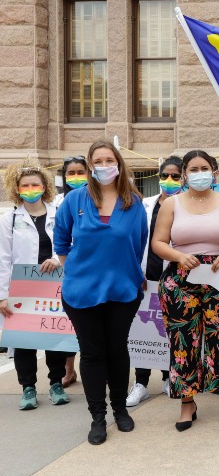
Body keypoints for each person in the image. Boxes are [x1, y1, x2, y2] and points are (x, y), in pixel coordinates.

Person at [54, 140, 149, 446]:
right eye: (98, 160)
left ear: (119, 163)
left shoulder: (133, 202)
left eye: (110, 159)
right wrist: (80, 271)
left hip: (123, 290)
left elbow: (139, 244)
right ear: (90, 165)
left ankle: (120, 409)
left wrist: (128, 274)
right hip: (81, 293)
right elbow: (61, 242)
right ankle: (98, 416)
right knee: (92, 353)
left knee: (118, 350)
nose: (105, 165)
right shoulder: (75, 200)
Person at [150, 150, 219, 431]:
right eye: (193, 169)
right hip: (181, 280)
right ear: (184, 174)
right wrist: (179, 256)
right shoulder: (172, 204)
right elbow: (158, 242)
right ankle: (186, 402)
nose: (199, 173)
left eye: (205, 167)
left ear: (215, 171)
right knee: (183, 342)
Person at [0, 161, 70, 410]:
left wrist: (56, 259)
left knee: (55, 336)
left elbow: (69, 244)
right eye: (25, 185)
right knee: (24, 340)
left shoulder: (58, 213)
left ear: (44, 186)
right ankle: (28, 388)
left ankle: (56, 384)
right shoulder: (9, 219)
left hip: (53, 285)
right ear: (17, 189)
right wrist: (2, 296)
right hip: (22, 288)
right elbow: (3, 259)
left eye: (35, 184)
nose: (31, 189)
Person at [124, 156, 182, 407]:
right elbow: (134, 240)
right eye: (165, 175)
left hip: (175, 278)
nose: (169, 180)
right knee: (144, 331)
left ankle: (170, 379)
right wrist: (137, 274)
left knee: (170, 331)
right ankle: (141, 383)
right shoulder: (144, 205)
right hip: (145, 278)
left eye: (175, 176)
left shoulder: (186, 205)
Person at [58, 155, 90, 387]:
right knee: (65, 329)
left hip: (88, 272)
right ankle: (68, 370)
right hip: (68, 272)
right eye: (71, 173)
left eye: (81, 171)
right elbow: (59, 240)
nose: (76, 177)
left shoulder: (93, 199)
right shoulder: (62, 202)